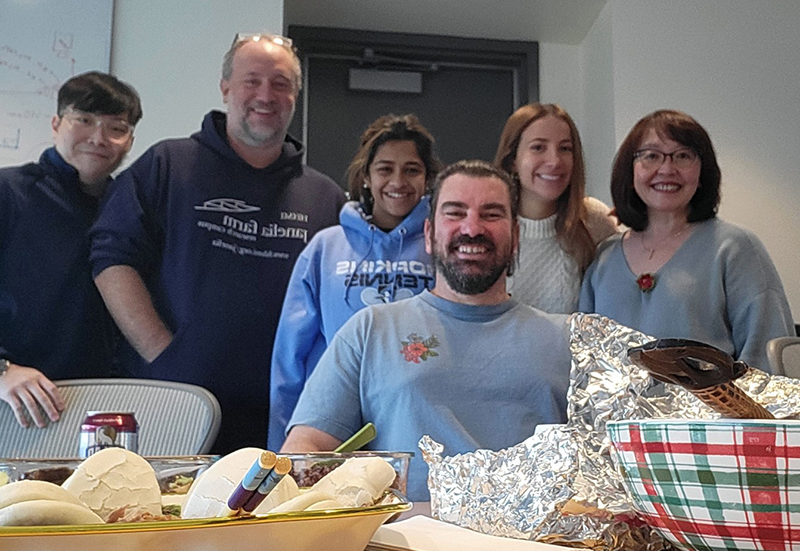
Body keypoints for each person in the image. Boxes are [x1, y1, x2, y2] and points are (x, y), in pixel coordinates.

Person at [90, 34, 346, 454]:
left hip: (282, 421)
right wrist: (164, 353)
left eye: (280, 83)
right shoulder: (167, 165)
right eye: (252, 81)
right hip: (174, 411)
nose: (266, 95)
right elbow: (111, 260)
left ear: (295, 96)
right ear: (226, 88)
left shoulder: (325, 198)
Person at [280, 160, 572, 500]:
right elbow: (306, 448)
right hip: (400, 546)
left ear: (517, 236)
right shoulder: (371, 330)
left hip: (535, 549)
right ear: (430, 235)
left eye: (491, 214)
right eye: (455, 213)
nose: (472, 228)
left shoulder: (563, 339)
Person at [268, 114, 442, 448]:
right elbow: (290, 357)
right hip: (334, 419)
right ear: (365, 176)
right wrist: (282, 448)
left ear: (428, 178)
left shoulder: (442, 246)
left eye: (412, 169)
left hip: (417, 414)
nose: (398, 181)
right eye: (385, 168)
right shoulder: (326, 247)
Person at [579, 109, 793, 372]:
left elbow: (765, 360)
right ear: (630, 169)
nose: (667, 169)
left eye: (683, 156)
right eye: (651, 156)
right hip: (617, 415)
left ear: (703, 171)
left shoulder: (735, 249)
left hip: (711, 413)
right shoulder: (604, 257)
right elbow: (585, 361)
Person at [0, 71, 142, 428]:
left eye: (116, 127)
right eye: (84, 120)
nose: (99, 138)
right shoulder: (9, 192)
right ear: (56, 123)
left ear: (129, 141)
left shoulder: (131, 208)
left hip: (103, 410)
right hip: (17, 404)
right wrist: (3, 370)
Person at [494, 103, 617, 313]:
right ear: (512, 160)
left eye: (565, 148)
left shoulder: (593, 220)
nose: (554, 161)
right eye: (538, 147)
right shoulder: (487, 225)